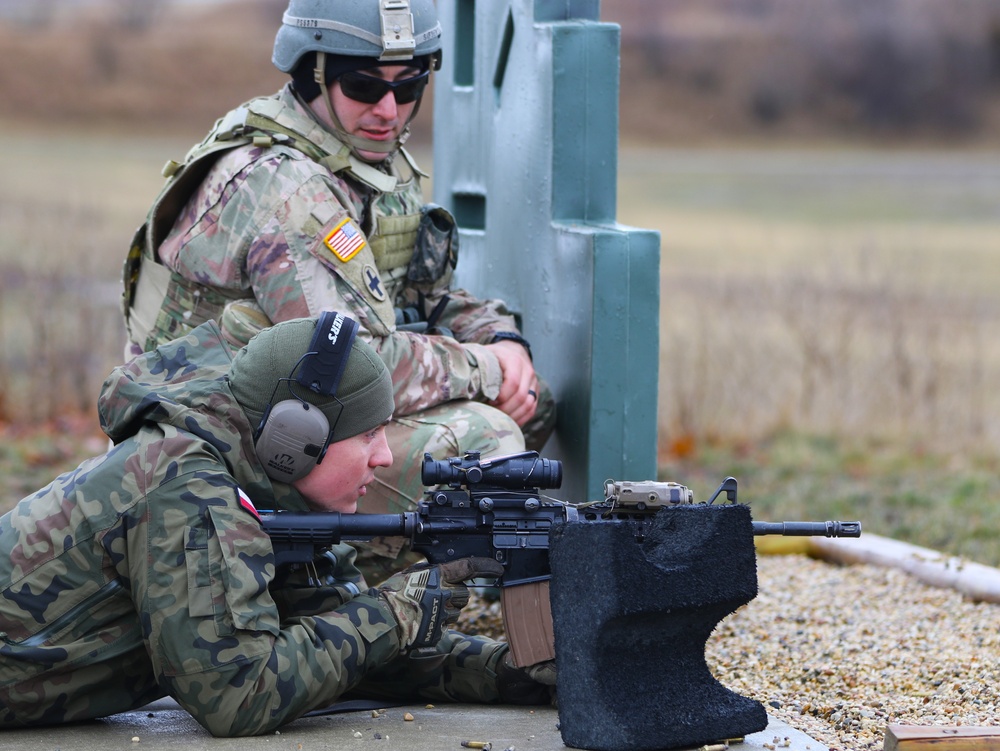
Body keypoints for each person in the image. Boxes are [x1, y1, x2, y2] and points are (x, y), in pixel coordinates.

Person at [120, 0, 556, 569]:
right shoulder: (290, 190)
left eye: (409, 89)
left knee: (533, 401)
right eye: (363, 86)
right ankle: (362, 601)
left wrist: (502, 340)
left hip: (294, 415)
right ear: (310, 75)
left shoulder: (360, 156)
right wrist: (488, 370)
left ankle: (384, 584)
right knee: (485, 438)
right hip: (216, 454)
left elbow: (421, 295)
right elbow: (355, 366)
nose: (389, 109)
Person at [0, 313, 552, 737]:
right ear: (294, 437)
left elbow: (338, 652)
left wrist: (517, 673)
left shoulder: (272, 492)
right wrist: (394, 612)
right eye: (367, 435)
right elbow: (236, 696)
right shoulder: (188, 489)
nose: (384, 457)